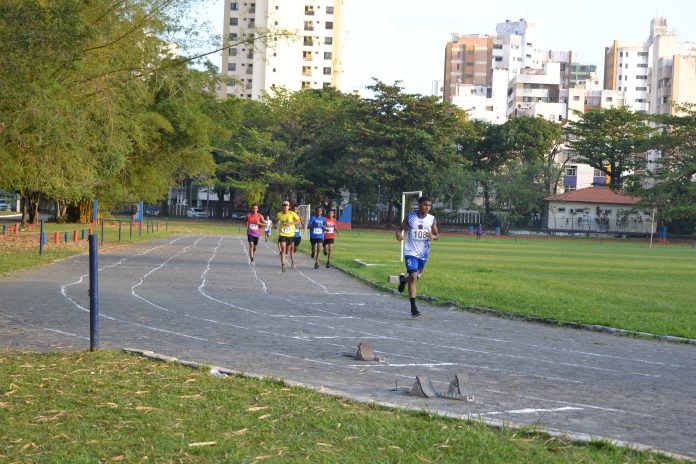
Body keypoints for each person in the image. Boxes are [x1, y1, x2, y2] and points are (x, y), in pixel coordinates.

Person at [396, 196, 439, 317]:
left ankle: (403, 280)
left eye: (430, 206)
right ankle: (413, 308)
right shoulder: (410, 217)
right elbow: (399, 229)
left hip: (423, 253)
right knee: (414, 277)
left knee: (415, 277)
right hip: (410, 251)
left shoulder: (431, 219)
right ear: (419, 204)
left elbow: (437, 235)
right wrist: (398, 236)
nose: (427, 208)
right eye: (425, 205)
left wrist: (432, 236)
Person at [275, 201, 301, 273]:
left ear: (289, 207)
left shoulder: (292, 213)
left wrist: (292, 223)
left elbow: (299, 221)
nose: (285, 206)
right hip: (282, 234)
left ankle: (289, 256)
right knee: (283, 250)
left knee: (288, 250)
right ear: (282, 206)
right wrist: (275, 224)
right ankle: (283, 265)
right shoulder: (279, 214)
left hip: (290, 235)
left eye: (287, 205)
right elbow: (277, 220)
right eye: (284, 205)